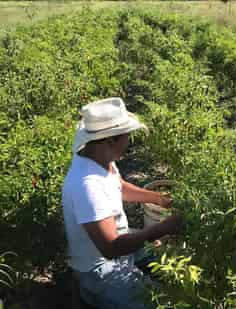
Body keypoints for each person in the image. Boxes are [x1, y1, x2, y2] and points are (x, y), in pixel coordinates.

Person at [62, 97, 182, 309]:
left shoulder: (97, 157)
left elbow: (120, 186)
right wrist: (160, 229)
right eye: (126, 136)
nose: (129, 141)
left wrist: (161, 200)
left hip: (119, 246)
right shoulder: (87, 185)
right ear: (109, 140)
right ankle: (91, 294)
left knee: (171, 264)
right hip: (99, 268)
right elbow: (110, 248)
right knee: (161, 303)